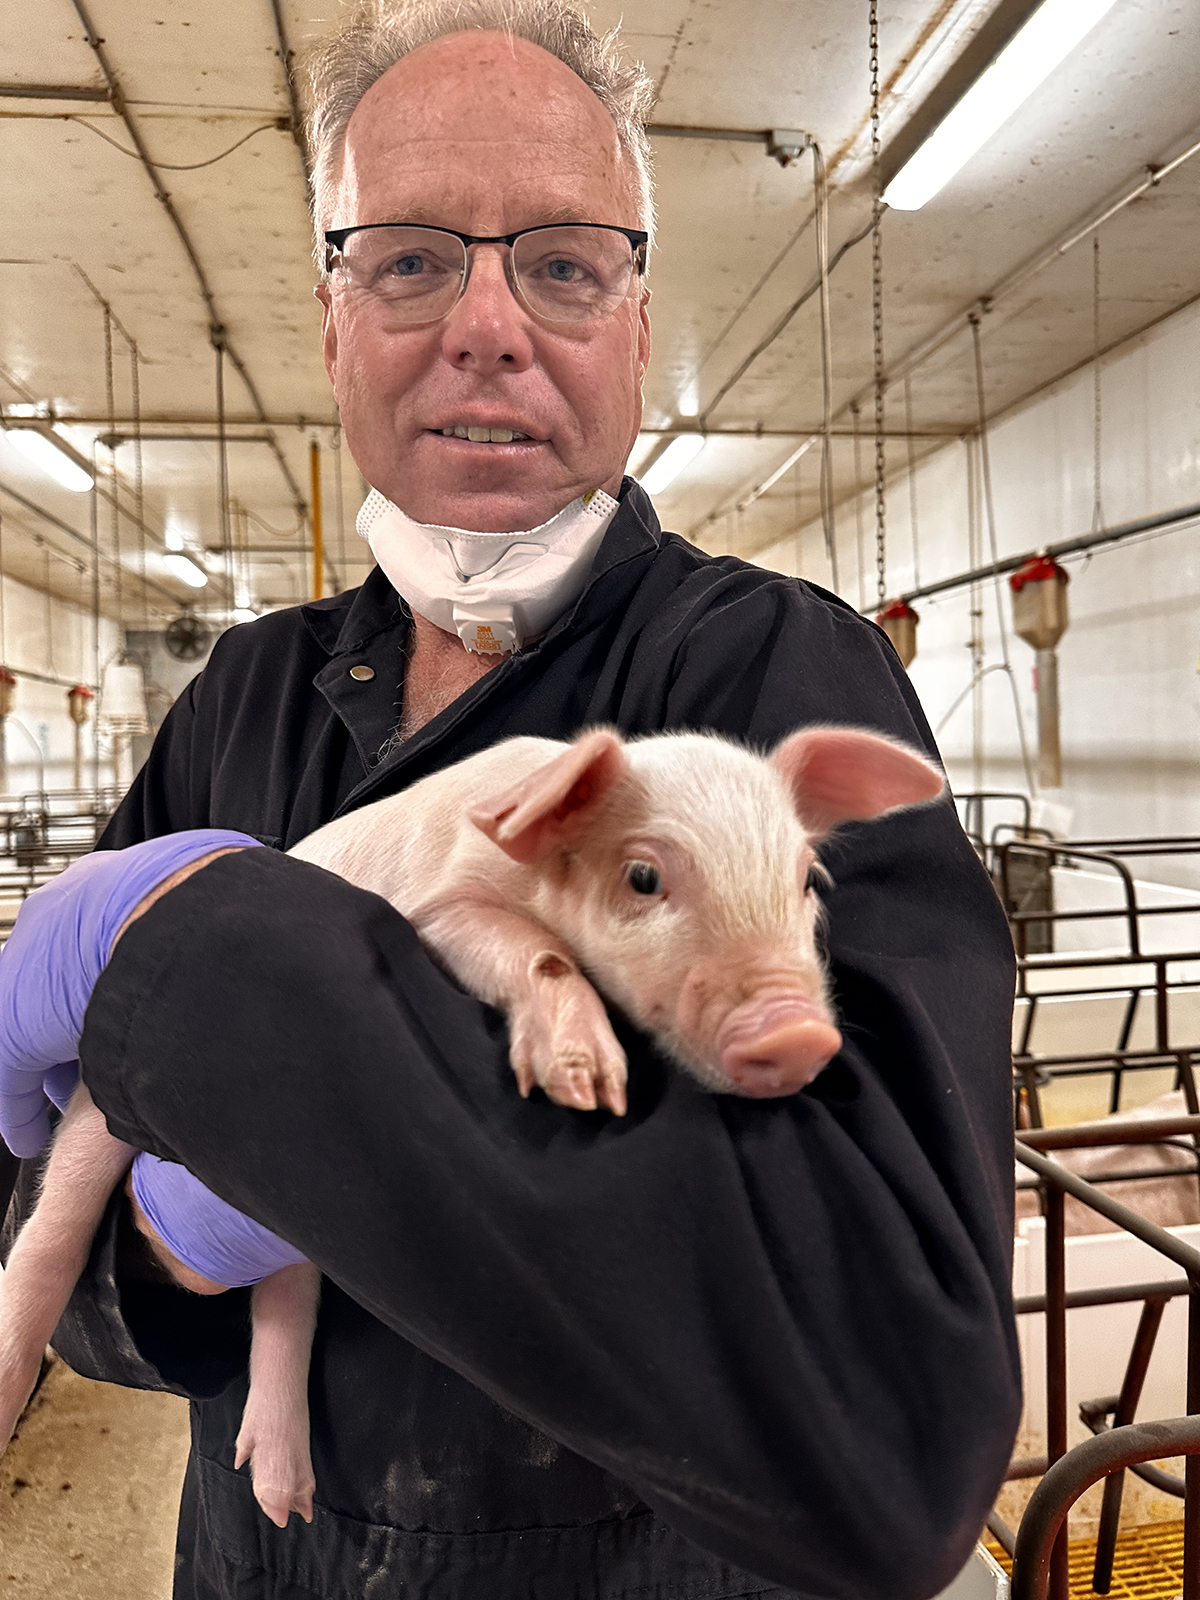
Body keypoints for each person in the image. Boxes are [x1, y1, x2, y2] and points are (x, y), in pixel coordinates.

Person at [0, 2, 1021, 1597]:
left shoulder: (770, 676)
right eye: (409, 260)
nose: (488, 323)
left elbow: (886, 1418)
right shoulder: (243, 699)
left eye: (560, 264)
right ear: (333, 321)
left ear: (632, 322)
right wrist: (164, 1254)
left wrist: (230, 1008)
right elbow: (52, 1233)